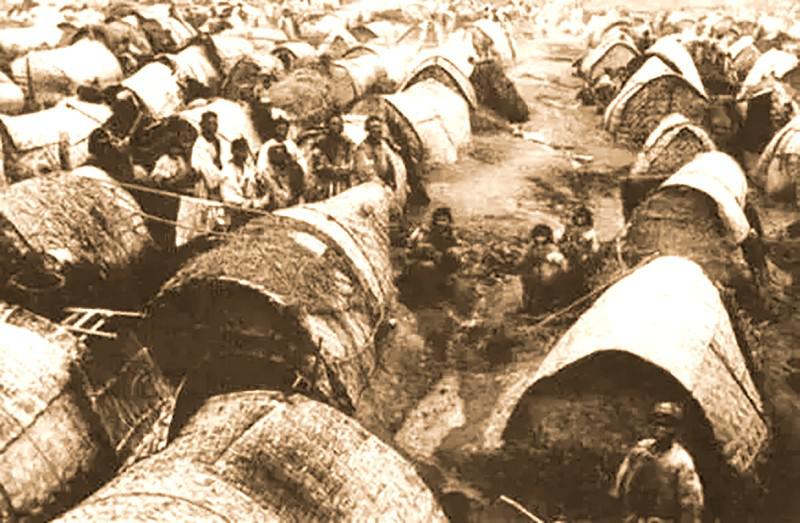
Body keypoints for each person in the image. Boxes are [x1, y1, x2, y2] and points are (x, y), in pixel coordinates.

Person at [611, 402, 704, 523]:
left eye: (667, 425)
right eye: (657, 424)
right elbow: (620, 485)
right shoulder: (640, 449)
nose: (661, 429)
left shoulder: (681, 461)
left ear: (676, 429)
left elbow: (691, 505)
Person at [403, 207, 461, 302]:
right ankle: (427, 296)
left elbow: (457, 250)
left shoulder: (451, 234)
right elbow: (412, 250)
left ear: (448, 221)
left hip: (442, 265)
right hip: (421, 264)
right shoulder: (427, 233)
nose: (440, 223)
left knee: (453, 254)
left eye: (443, 220)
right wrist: (428, 250)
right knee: (427, 267)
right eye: (438, 220)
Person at [519, 224, 569, 315]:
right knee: (528, 285)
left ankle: (542, 308)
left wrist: (563, 270)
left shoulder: (551, 248)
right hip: (534, 271)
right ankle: (527, 306)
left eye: (542, 236)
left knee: (542, 287)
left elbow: (560, 260)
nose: (539, 238)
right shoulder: (532, 247)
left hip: (548, 271)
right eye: (537, 236)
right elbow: (527, 258)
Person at [257, 116, 305, 208]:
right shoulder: (267, 146)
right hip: (273, 178)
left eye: (285, 129)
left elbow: (300, 160)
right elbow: (261, 167)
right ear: (275, 129)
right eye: (280, 129)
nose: (282, 132)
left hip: (289, 178)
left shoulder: (291, 145)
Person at [310, 113, 355, 198]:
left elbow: (352, 158)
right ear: (328, 125)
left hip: (342, 182)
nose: (336, 127)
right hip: (325, 182)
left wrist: (347, 167)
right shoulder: (320, 142)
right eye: (333, 124)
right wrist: (331, 168)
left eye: (338, 124)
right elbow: (318, 160)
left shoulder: (347, 142)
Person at [353, 115, 397, 188]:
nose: (378, 130)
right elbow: (365, 171)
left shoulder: (384, 145)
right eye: (374, 127)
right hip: (369, 187)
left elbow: (391, 164)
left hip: (385, 185)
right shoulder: (362, 148)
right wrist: (381, 184)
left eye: (379, 127)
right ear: (368, 129)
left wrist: (392, 181)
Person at [190, 111, 224, 200]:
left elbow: (219, 162)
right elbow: (205, 168)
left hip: (216, 180)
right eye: (210, 123)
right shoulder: (200, 144)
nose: (213, 127)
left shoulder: (216, 142)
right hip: (204, 183)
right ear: (203, 126)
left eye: (215, 124)